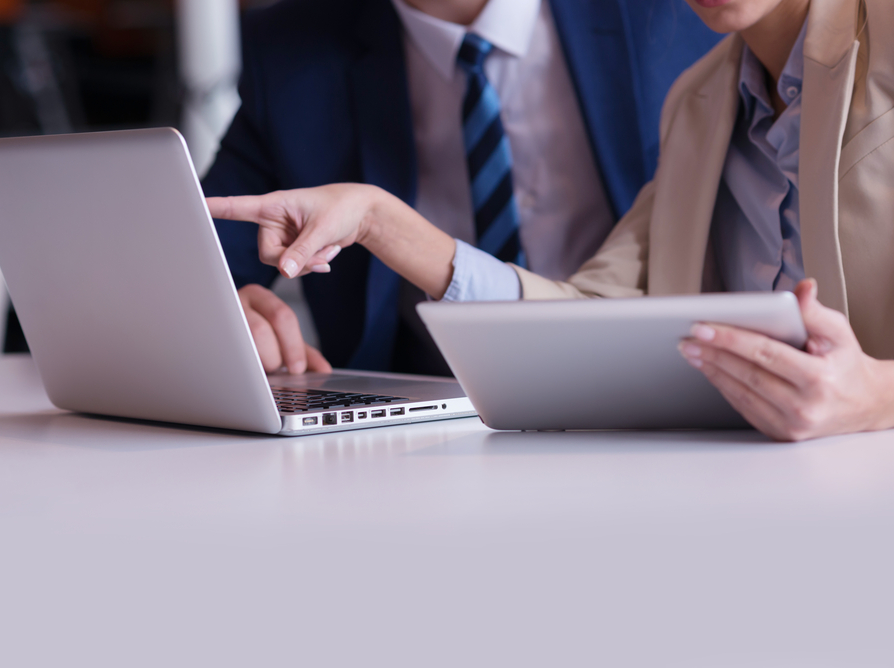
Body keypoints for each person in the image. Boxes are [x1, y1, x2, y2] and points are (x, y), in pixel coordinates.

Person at [207, 0, 894, 441]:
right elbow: (590, 309)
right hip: (657, 462)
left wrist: (878, 398)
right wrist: (382, 222)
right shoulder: (701, 104)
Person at [202, 0, 720, 376]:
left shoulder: (672, 14)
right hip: (424, 416)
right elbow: (199, 256)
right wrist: (226, 312)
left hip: (645, 384)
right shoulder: (293, 50)